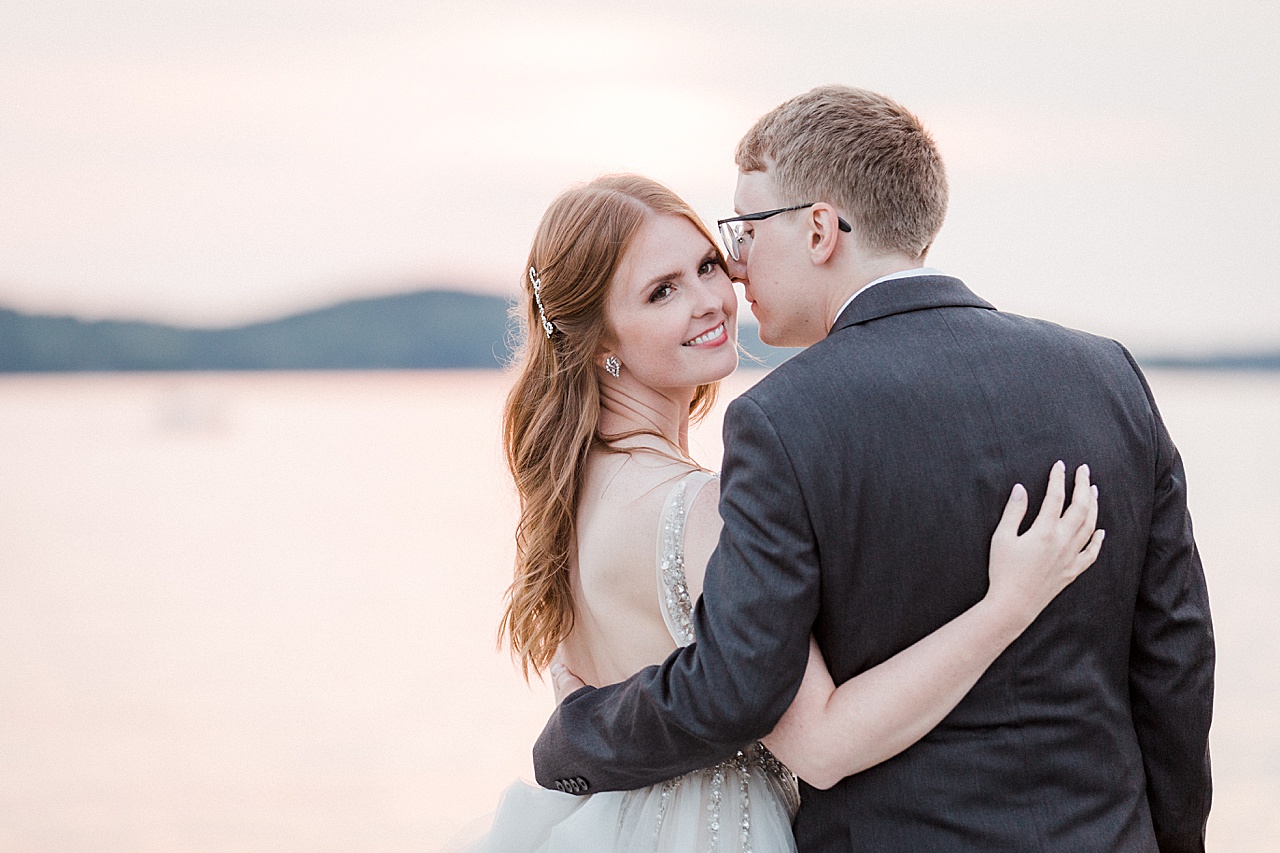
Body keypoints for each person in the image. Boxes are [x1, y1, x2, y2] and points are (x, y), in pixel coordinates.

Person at [533, 88, 1215, 852]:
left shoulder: (781, 422)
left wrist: (572, 736)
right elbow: (1175, 662)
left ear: (820, 228)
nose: (734, 264)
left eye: (743, 231)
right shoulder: (1108, 377)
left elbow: (743, 689)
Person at [466, 173, 1103, 852]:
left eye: (708, 265)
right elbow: (822, 744)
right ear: (599, 342)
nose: (711, 300)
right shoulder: (698, 507)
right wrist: (1007, 604)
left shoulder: (566, 497)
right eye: (662, 291)